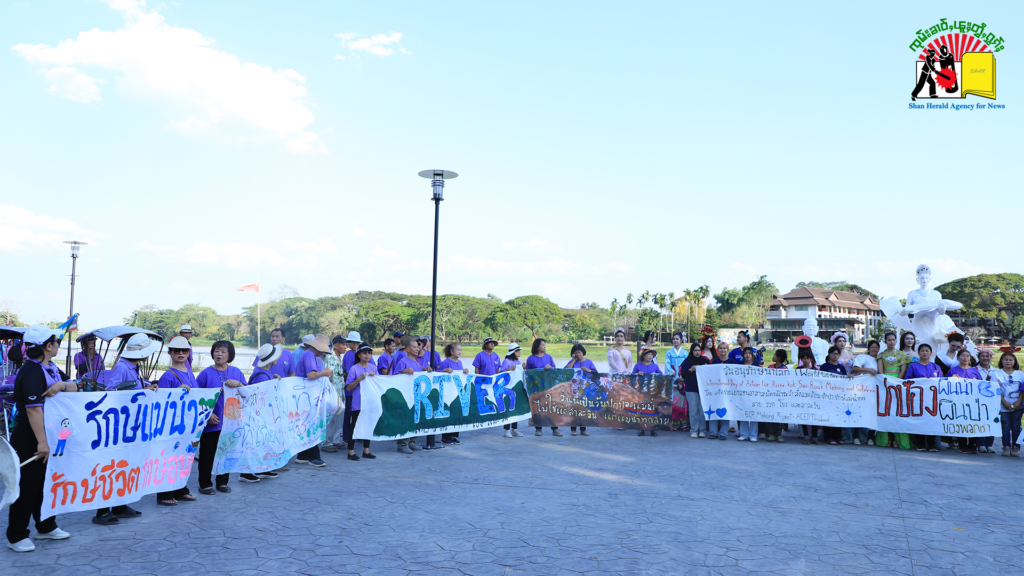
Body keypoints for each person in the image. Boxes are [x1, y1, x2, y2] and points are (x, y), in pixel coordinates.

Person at [6, 325, 74, 553]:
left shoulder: (50, 368)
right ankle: (16, 535)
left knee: (46, 483)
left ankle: (45, 526)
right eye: (56, 342)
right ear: (48, 346)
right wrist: (42, 442)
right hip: (30, 436)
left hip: (49, 432)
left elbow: (75, 387)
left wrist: (63, 385)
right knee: (27, 486)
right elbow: (34, 410)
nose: (58, 345)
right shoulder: (31, 371)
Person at [95, 333, 159, 524]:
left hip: (130, 424)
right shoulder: (123, 367)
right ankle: (102, 510)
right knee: (113, 466)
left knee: (126, 465)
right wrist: (142, 390)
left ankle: (120, 505)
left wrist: (147, 386)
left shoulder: (133, 366)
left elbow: (130, 387)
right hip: (120, 425)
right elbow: (112, 392)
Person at [195, 340, 248, 493]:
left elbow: (247, 393)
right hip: (212, 421)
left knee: (226, 452)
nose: (219, 354)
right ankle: (205, 483)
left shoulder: (237, 372)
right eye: (216, 351)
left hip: (231, 422)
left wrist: (239, 384)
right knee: (207, 454)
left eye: (223, 351)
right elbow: (197, 398)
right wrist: (208, 414)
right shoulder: (205, 374)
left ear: (229, 355)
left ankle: (222, 482)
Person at [154, 336, 200, 505]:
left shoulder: (189, 372)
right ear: (170, 353)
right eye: (176, 351)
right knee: (170, 458)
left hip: (188, 423)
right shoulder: (168, 375)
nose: (181, 353)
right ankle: (164, 494)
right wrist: (176, 392)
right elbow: (162, 402)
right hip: (172, 424)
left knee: (184, 457)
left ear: (188, 352)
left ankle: (181, 489)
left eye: (184, 350)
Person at [242, 343, 284, 483]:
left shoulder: (264, 372)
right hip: (259, 414)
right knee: (255, 442)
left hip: (261, 413)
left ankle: (261, 468)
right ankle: (246, 472)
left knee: (262, 442)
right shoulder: (262, 375)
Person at [294, 335, 333, 466]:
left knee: (307, 424)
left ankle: (303, 455)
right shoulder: (310, 355)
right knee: (312, 424)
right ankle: (314, 457)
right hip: (307, 395)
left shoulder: (308, 354)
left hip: (305, 394)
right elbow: (311, 375)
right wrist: (325, 373)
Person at [876, 333, 912, 450]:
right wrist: (885, 382)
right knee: (886, 410)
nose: (891, 342)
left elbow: (903, 370)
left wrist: (897, 382)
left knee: (898, 411)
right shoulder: (881, 355)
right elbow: (880, 370)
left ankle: (898, 439)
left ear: (896, 341)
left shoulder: (902, 354)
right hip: (885, 382)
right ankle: (887, 438)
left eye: (893, 340)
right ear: (885, 341)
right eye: (889, 340)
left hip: (898, 382)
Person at [905, 343, 942, 452]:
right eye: (922, 350)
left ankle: (931, 445)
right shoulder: (913, 366)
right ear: (918, 353)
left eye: (927, 350)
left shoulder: (936, 367)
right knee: (919, 420)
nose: (925, 352)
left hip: (933, 399)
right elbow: (907, 381)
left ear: (931, 353)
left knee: (932, 421)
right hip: (918, 399)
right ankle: (920, 444)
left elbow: (942, 382)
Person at [343, 342, 377, 462]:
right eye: (364, 353)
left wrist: (374, 377)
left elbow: (378, 385)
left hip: (370, 402)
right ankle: (351, 451)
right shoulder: (354, 368)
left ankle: (366, 450)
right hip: (358, 401)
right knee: (354, 426)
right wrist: (359, 379)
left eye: (369, 353)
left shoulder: (373, 368)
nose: (367, 355)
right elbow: (348, 387)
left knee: (368, 425)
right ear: (359, 355)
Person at [393, 336, 426, 454]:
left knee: (415, 418)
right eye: (414, 347)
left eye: (418, 347)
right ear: (407, 349)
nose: (417, 349)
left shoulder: (416, 363)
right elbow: (394, 378)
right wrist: (404, 371)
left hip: (416, 395)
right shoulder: (403, 361)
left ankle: (412, 442)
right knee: (406, 419)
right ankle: (402, 444)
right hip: (406, 396)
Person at [947, 348, 983, 454]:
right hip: (958, 402)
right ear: (958, 358)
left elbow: (981, 385)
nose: (965, 358)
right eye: (963, 356)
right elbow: (946, 386)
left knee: (973, 422)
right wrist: (952, 379)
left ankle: (973, 444)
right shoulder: (952, 371)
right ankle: (962, 445)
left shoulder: (975, 371)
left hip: (973, 402)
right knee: (961, 422)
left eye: (967, 356)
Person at [526, 339, 561, 437]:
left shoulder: (548, 357)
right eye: (542, 345)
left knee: (551, 406)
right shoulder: (531, 359)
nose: (544, 347)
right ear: (537, 346)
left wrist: (550, 368)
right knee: (537, 407)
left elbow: (555, 370)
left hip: (549, 387)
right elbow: (528, 374)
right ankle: (538, 429)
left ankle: (555, 428)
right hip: (536, 387)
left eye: (545, 345)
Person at [320, 335, 348, 453]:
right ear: (336, 346)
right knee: (331, 418)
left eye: (345, 345)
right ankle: (327, 442)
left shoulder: (339, 357)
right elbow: (327, 375)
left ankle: (336, 440)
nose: (345, 347)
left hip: (340, 391)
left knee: (339, 417)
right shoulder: (330, 358)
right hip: (333, 391)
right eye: (343, 345)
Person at [849, 340, 880, 445]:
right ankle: (856, 436)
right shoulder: (864, 357)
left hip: (877, 389)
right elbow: (855, 368)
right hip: (864, 389)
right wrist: (869, 370)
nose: (874, 349)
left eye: (876, 347)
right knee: (860, 411)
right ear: (869, 348)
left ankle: (871, 437)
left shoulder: (881, 359)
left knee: (874, 413)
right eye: (872, 347)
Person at [439, 343, 470, 445]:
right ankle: (445, 437)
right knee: (448, 413)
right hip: (448, 392)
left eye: (461, 350)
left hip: (457, 392)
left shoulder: (459, 362)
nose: (460, 352)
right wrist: (445, 370)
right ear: (452, 351)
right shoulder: (446, 362)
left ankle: (453, 435)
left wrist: (465, 371)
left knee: (457, 413)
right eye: (458, 350)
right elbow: (437, 374)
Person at [993, 352, 1023, 457]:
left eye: (1011, 360)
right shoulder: (996, 374)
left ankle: (1016, 446)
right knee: (1005, 426)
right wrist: (1004, 402)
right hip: (1002, 406)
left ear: (1014, 361)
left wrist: (1019, 401)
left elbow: (1023, 390)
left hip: (1018, 406)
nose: (1008, 361)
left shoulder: (1020, 374)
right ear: (1001, 361)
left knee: (1016, 426)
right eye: (1006, 359)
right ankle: (1006, 446)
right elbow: (995, 390)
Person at [564, 344, 596, 437]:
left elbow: (595, 373)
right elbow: (565, 371)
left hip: (585, 389)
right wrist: (573, 360)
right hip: (573, 390)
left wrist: (587, 369)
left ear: (583, 352)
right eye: (576, 353)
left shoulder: (589, 362)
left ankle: (583, 429)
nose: (578, 354)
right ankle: (573, 429)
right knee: (574, 409)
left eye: (579, 352)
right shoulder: (572, 362)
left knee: (583, 409)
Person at [678, 343, 708, 439]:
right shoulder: (687, 361)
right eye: (695, 350)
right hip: (691, 389)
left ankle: (702, 430)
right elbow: (683, 375)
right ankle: (694, 430)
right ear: (692, 351)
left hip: (703, 389)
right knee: (693, 410)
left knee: (702, 411)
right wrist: (691, 369)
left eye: (699, 350)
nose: (697, 352)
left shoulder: (705, 361)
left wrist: (705, 367)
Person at [818, 346, 846, 445]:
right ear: (829, 354)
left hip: (838, 396)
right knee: (828, 416)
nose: (835, 355)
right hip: (827, 395)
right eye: (833, 353)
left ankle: (838, 437)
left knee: (838, 416)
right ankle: (828, 437)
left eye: (837, 354)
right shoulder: (824, 366)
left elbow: (844, 381)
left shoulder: (841, 367)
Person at [633, 346, 662, 437]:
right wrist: (637, 374)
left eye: (651, 355)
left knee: (653, 410)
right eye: (648, 354)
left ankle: (653, 429)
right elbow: (631, 376)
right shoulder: (637, 365)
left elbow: (661, 375)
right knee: (641, 409)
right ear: (643, 356)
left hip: (653, 391)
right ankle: (641, 429)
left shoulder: (655, 366)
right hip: (641, 391)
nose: (650, 356)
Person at [497, 343, 524, 438]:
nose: (519, 352)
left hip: (515, 389)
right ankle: (507, 430)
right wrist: (509, 369)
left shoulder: (518, 361)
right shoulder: (507, 361)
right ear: (514, 352)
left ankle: (515, 429)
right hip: (507, 389)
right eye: (517, 351)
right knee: (508, 408)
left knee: (515, 408)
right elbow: (500, 374)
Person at [734, 348, 760, 442]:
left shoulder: (756, 366)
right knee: (742, 412)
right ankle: (743, 434)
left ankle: (753, 435)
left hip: (754, 393)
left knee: (754, 413)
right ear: (743, 355)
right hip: (742, 392)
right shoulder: (739, 365)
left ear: (752, 355)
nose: (748, 355)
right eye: (746, 353)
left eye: (749, 353)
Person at [796, 349, 820, 445]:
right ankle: (806, 437)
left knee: (814, 417)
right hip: (802, 397)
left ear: (811, 359)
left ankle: (815, 437)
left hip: (813, 397)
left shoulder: (815, 370)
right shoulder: (798, 370)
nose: (805, 360)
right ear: (801, 360)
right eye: (804, 358)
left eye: (807, 358)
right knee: (803, 417)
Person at [975, 348, 997, 453]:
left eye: (987, 356)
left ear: (990, 357)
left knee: (991, 421)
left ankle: (989, 444)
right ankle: (981, 443)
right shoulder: (974, 370)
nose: (985, 358)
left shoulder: (996, 371)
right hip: (977, 400)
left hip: (992, 400)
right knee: (979, 421)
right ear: (979, 357)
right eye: (982, 356)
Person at [765, 349, 789, 442]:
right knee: (771, 414)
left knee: (780, 415)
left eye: (775, 355)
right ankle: (771, 434)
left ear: (779, 358)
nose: (773, 356)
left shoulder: (784, 369)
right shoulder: (770, 367)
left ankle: (779, 434)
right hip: (771, 395)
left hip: (781, 396)